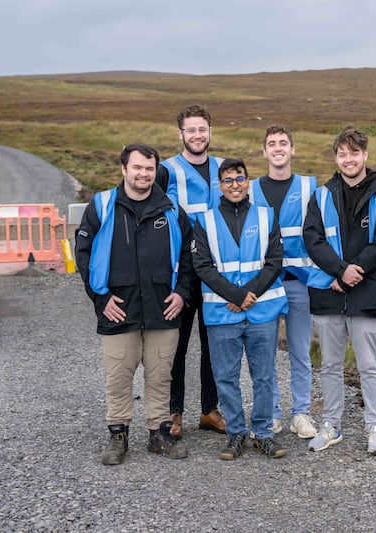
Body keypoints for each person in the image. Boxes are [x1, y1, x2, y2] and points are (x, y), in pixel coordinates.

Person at [75, 143, 193, 465]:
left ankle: (159, 434)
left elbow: (188, 256)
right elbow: (82, 256)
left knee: (160, 376)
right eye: (138, 167)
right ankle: (118, 436)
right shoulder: (101, 207)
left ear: (156, 171)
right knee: (118, 376)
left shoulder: (171, 211)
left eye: (150, 169)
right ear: (124, 169)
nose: (144, 174)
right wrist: (100, 299)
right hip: (119, 309)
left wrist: (182, 293)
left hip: (162, 309)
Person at [302, 126, 376, 456]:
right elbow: (312, 239)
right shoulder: (321, 196)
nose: (348, 159)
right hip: (329, 291)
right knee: (330, 365)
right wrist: (339, 270)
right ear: (336, 157)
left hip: (369, 291)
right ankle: (331, 424)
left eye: (354, 153)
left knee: (369, 365)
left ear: (365, 155)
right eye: (342, 153)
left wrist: (351, 271)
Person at [191, 158, 288, 460]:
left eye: (240, 179)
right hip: (223, 313)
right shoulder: (204, 221)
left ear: (248, 182)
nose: (235, 185)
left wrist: (249, 294)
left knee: (264, 376)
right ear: (219, 185)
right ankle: (236, 434)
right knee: (226, 377)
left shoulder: (265, 216)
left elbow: (274, 260)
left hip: (261, 311)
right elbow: (202, 266)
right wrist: (235, 294)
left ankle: (263, 433)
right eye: (228, 180)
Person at [157, 104, 226, 438]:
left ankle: (210, 410)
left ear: (210, 131)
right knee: (177, 345)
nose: (198, 135)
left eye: (203, 129)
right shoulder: (166, 171)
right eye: (191, 130)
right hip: (182, 273)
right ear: (180, 134)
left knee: (213, 344)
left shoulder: (225, 168)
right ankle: (174, 413)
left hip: (215, 272)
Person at [248, 124, 317, 439]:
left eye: (283, 143)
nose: (278, 148)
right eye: (272, 143)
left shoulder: (309, 187)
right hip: (264, 286)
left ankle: (300, 413)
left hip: (298, 284)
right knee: (266, 353)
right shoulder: (249, 189)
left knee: (300, 351)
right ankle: (271, 413)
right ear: (264, 151)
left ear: (292, 150)